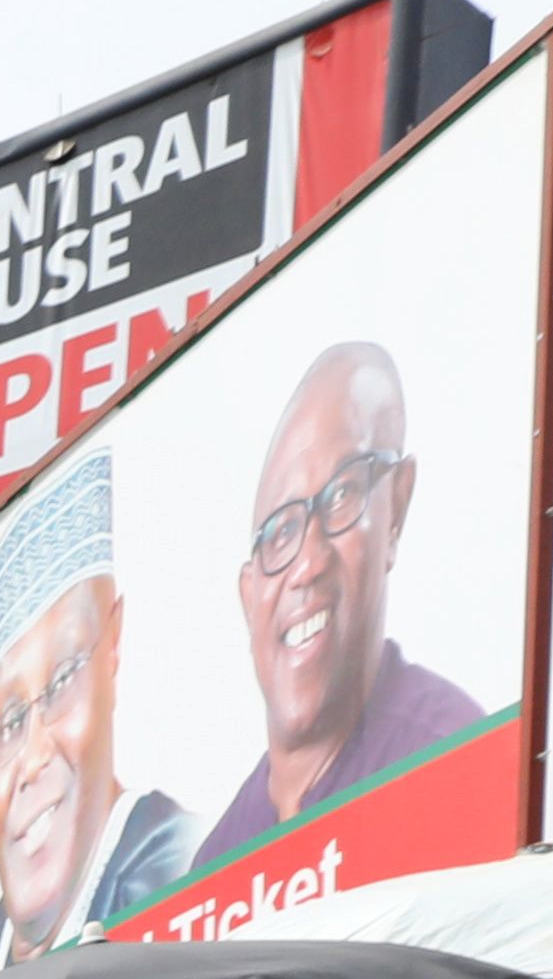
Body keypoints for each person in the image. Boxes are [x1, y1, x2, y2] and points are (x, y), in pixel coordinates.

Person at [189, 348, 491, 876]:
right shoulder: (216, 864)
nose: (308, 563)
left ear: (395, 509)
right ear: (247, 594)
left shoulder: (448, 761)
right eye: (280, 532)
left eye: (342, 495)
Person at [0, 454, 196, 976]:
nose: (36, 756)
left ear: (113, 645)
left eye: (62, 681)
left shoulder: (178, 868)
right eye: (11, 721)